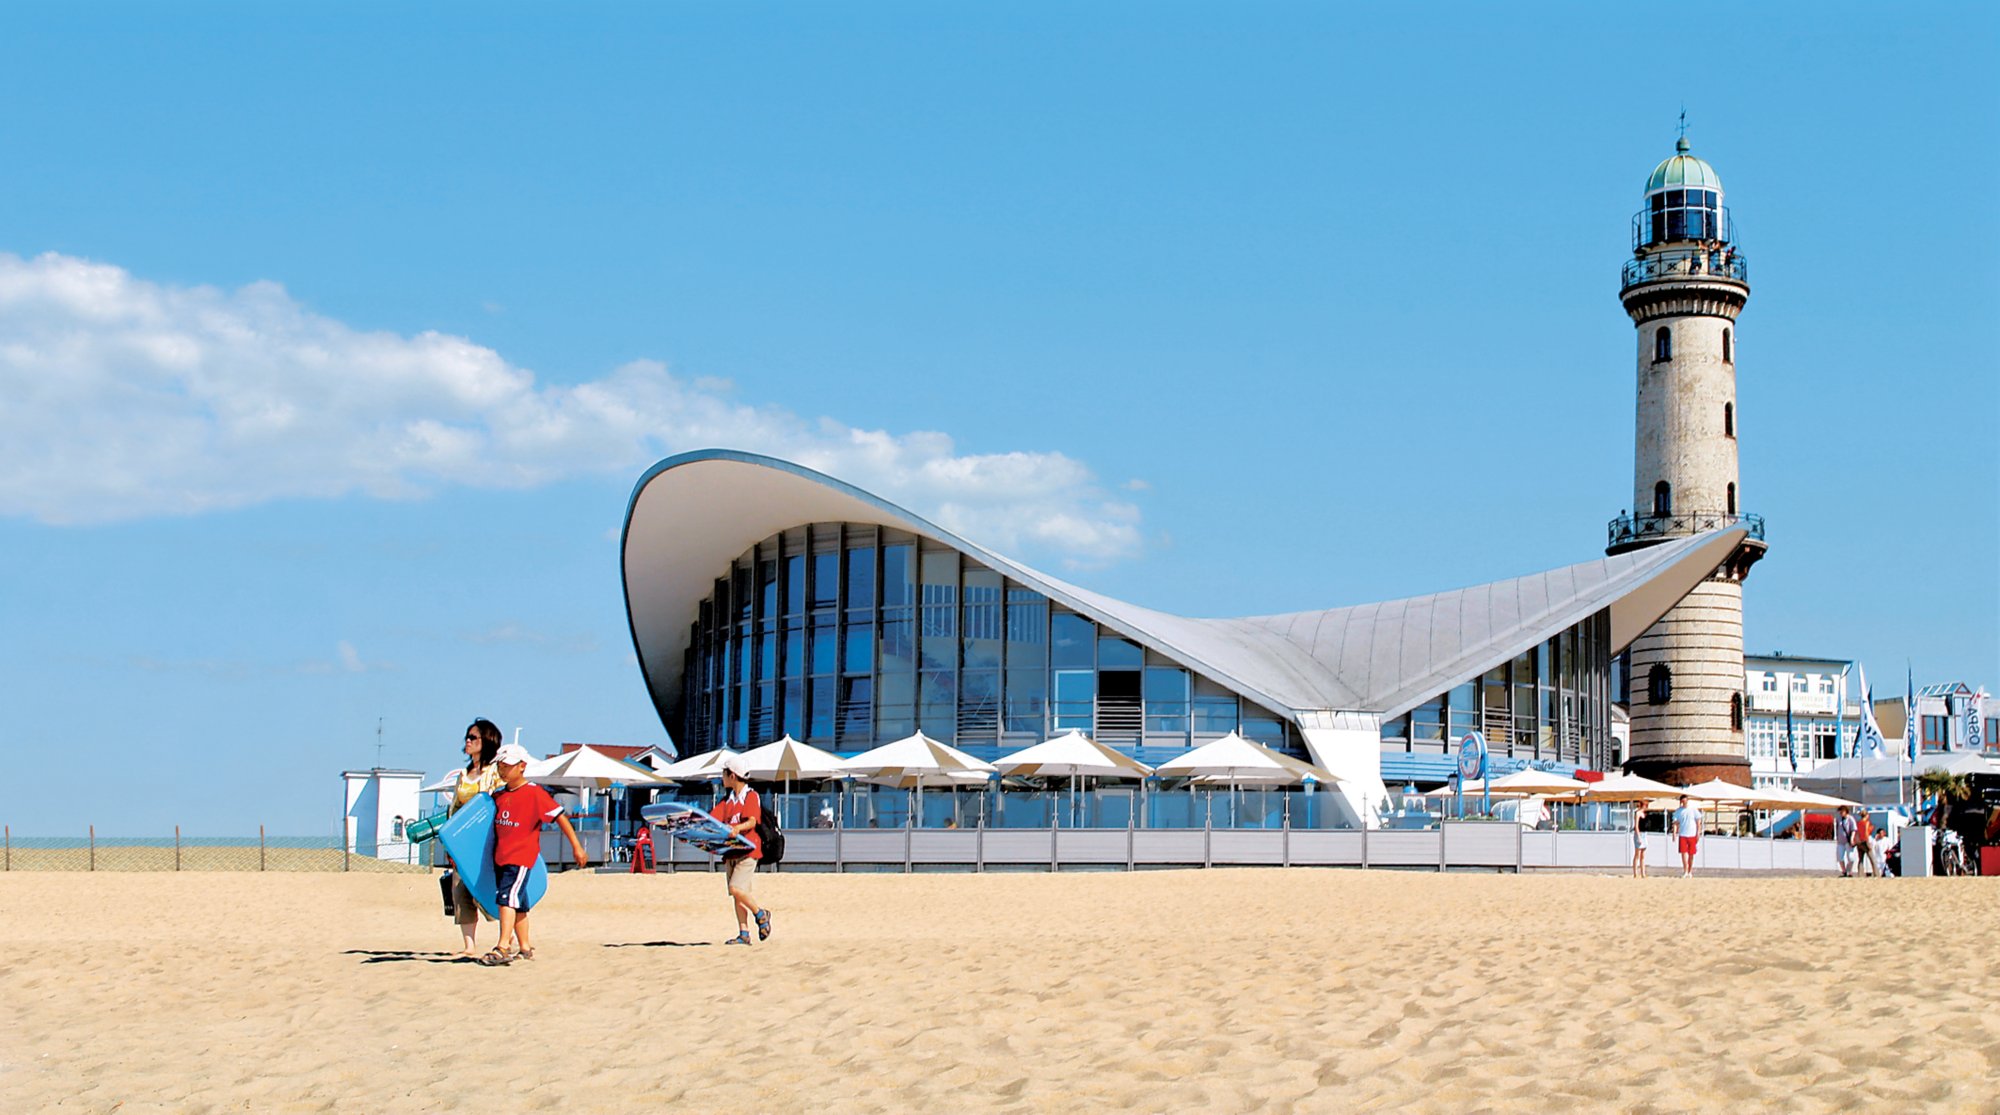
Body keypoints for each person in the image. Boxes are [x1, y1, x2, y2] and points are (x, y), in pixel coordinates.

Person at [481, 743, 588, 966]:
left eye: (507, 766)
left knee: (506, 898)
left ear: (522, 766)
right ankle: (525, 947)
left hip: (520, 857)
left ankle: (502, 946)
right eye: (499, 766)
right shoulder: (498, 796)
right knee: (518, 904)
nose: (502, 771)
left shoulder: (534, 794)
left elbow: (560, 817)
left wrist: (576, 847)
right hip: (500, 856)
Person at [444, 719, 503, 957]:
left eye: (473, 738)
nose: (467, 741)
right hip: (463, 842)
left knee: (491, 890)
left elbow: (497, 803)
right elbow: (456, 808)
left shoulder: (495, 772)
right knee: (460, 890)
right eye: (467, 737)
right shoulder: (463, 774)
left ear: (486, 741)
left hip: (487, 840)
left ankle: (506, 938)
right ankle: (469, 945)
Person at [712, 755, 772, 946]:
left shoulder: (751, 796)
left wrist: (737, 828)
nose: (722, 777)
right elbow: (712, 820)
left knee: (735, 889)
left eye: (724, 773)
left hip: (748, 850)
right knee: (739, 894)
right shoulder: (727, 800)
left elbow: (753, 820)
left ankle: (761, 914)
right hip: (731, 852)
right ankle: (744, 934)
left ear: (733, 776)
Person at [1672, 794, 1702, 877]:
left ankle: (1690, 871)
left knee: (1691, 854)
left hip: (1692, 834)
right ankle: (1685, 870)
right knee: (1683, 853)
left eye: (1686, 801)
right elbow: (1675, 823)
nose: (1684, 802)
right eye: (1683, 801)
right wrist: (1674, 833)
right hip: (1683, 834)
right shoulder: (1678, 811)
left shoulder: (1693, 810)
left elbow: (1698, 821)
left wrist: (1698, 833)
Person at [1852, 810, 1877, 877]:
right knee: (1872, 859)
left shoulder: (1858, 823)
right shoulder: (1866, 823)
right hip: (1865, 841)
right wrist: (1868, 842)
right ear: (1866, 815)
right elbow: (1866, 833)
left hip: (1859, 842)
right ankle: (1876, 874)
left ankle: (1860, 874)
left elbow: (1857, 832)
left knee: (1860, 860)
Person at [1834, 806, 1857, 877]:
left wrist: (1852, 838)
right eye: (1840, 811)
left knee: (1851, 858)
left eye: (1842, 811)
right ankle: (1844, 871)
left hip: (1848, 841)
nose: (1841, 813)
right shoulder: (1838, 819)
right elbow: (1836, 828)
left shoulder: (1850, 819)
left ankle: (1849, 870)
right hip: (1840, 841)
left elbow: (1854, 829)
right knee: (1840, 857)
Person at [1630, 801, 1649, 878]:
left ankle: (1643, 873)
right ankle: (1635, 873)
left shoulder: (1645, 814)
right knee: (1637, 854)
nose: (1646, 807)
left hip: (1644, 834)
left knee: (1643, 855)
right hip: (1639, 834)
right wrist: (1638, 837)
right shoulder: (1637, 813)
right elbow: (1636, 826)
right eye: (1645, 805)